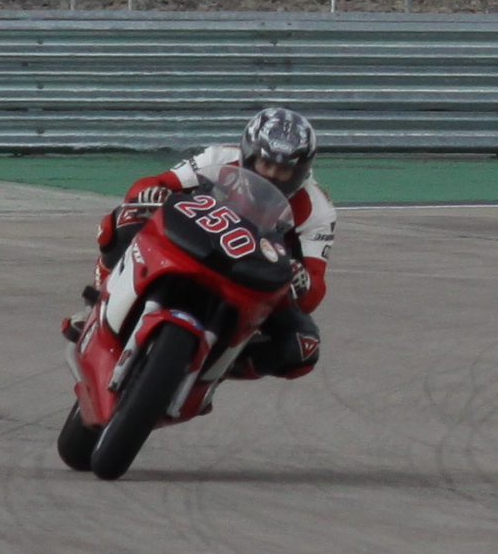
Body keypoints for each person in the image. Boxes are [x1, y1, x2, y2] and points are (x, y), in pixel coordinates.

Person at [94, 104, 338, 377]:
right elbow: (150, 184)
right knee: (125, 218)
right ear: (249, 155)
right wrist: (153, 193)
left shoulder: (318, 208)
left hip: (255, 276)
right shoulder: (219, 157)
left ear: (301, 170)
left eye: (283, 170)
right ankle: (98, 300)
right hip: (192, 243)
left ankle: (223, 366)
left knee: (303, 348)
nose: (271, 175)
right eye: (266, 163)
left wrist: (302, 282)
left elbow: (315, 287)